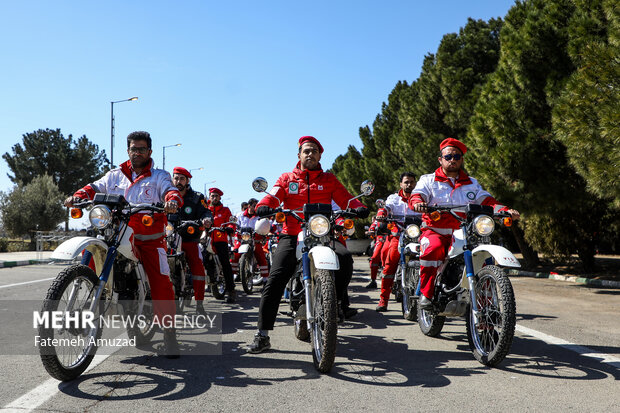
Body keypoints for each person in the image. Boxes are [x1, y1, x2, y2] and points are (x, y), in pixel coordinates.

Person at [64, 131, 183, 358]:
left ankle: (169, 333)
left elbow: (171, 190)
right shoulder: (115, 175)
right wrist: (78, 195)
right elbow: (95, 186)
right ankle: (85, 295)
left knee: (161, 280)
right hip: (115, 231)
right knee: (91, 249)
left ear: (149, 152)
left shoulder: (159, 176)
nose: (136, 152)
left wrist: (172, 201)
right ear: (127, 150)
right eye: (132, 148)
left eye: (141, 149)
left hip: (148, 239)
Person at [246, 135, 369, 354]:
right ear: (299, 155)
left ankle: (334, 303)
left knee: (344, 259)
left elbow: (346, 199)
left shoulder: (329, 179)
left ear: (320, 155)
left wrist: (359, 207)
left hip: (321, 233)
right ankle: (262, 334)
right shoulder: (287, 178)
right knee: (275, 279)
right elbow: (273, 196)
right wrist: (264, 205)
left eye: (314, 151)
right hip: (292, 233)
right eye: (306, 151)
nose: (309, 154)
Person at [410, 138, 520, 308]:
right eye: (448, 157)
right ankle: (427, 293)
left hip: (463, 231)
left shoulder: (472, 183)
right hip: (435, 230)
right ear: (440, 159)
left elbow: (488, 201)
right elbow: (417, 195)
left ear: (461, 159)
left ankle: (487, 310)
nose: (452, 160)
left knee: (483, 258)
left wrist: (505, 210)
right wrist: (418, 203)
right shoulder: (428, 180)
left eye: (456, 156)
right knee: (433, 249)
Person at [376, 172, 421, 312]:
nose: (409, 185)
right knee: (390, 265)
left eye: (412, 182)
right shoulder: (393, 198)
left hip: (418, 236)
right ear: (401, 184)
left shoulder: (420, 198)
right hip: (399, 235)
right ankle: (384, 300)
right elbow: (387, 207)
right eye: (406, 182)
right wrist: (382, 213)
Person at [171, 167, 213, 315]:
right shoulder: (167, 195)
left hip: (189, 238)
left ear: (187, 181)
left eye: (182, 179)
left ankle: (200, 305)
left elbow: (206, 211)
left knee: (197, 265)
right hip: (170, 238)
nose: (178, 181)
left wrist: (206, 219)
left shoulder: (196, 197)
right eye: (176, 178)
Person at [205, 187, 237, 303]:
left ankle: (231, 291)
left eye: (216, 196)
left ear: (219, 198)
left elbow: (231, 222)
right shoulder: (205, 209)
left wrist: (229, 228)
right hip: (206, 240)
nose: (214, 198)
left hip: (220, 241)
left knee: (225, 264)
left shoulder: (225, 210)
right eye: (212, 196)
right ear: (209, 197)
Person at [232, 198, 270, 286]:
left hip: (255, 240)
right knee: (234, 255)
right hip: (241, 240)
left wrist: (264, 233)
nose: (256, 208)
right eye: (254, 206)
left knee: (261, 257)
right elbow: (235, 225)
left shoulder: (259, 217)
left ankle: (265, 280)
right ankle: (233, 276)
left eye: (257, 206)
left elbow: (264, 226)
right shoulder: (240, 215)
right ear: (249, 206)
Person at [364, 208, 389, 289]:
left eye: (382, 215)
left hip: (391, 238)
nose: (381, 216)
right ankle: (373, 280)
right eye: (380, 215)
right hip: (380, 239)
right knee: (374, 257)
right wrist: (370, 231)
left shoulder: (392, 219)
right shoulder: (377, 221)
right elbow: (373, 226)